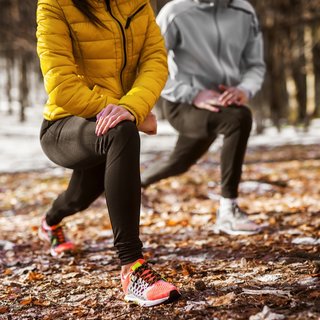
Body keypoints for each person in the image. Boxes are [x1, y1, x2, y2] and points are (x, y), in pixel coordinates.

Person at [36, 0, 180, 307]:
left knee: (78, 197)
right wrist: (126, 113)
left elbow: (155, 60)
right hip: (65, 125)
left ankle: (51, 221)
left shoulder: (137, 3)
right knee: (121, 132)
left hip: (115, 120)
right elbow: (61, 85)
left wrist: (131, 106)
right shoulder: (54, 5)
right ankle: (133, 267)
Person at [141, 0, 266, 235]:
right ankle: (228, 210)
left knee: (179, 162)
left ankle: (136, 184)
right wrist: (193, 94)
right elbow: (150, 65)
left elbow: (255, 65)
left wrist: (244, 89)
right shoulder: (174, 12)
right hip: (183, 104)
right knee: (239, 119)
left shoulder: (244, 11)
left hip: (223, 104)